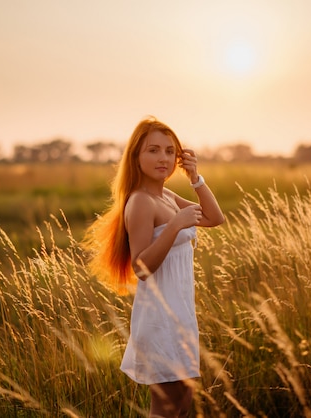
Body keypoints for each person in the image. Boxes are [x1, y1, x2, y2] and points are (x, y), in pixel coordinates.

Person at [83, 116, 225, 417]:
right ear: (136, 156)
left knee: (182, 406)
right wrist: (174, 226)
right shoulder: (141, 202)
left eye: (170, 151)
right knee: (165, 410)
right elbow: (142, 268)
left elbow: (215, 218)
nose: (163, 158)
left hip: (181, 316)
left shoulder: (167, 196)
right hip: (160, 321)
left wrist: (195, 177)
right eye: (153, 150)